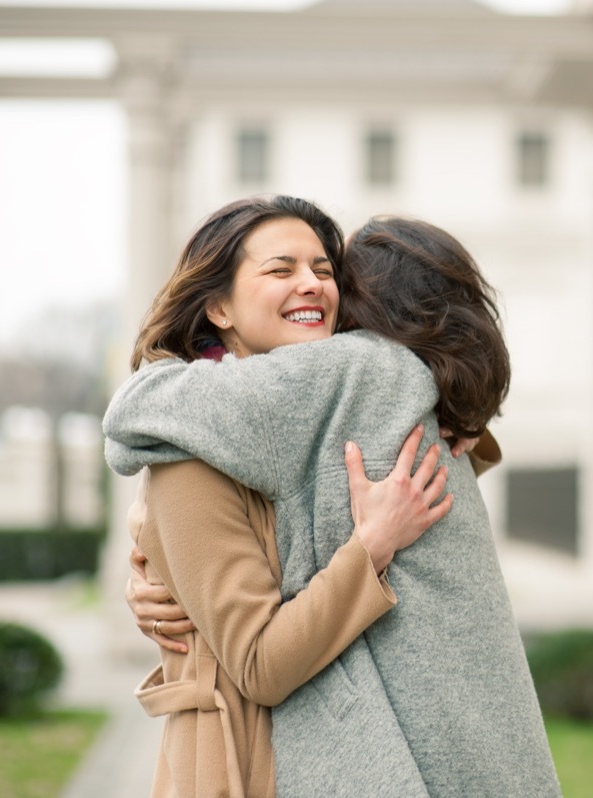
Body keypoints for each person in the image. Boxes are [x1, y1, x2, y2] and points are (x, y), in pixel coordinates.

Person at [105, 200, 561, 796]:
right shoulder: (187, 459)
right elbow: (259, 662)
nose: (312, 285)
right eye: (280, 269)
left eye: (324, 270)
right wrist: (371, 546)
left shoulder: (329, 412)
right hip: (245, 761)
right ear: (218, 306)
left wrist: (459, 413)